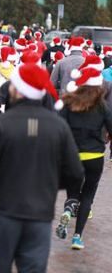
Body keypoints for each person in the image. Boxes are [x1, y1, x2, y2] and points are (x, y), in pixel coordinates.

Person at [0, 63, 84, 273]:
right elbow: (76, 173)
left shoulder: (0, 123)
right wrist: (50, 184)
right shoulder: (58, 126)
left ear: (17, 89)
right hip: (40, 213)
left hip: (3, 208)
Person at [54, 67, 112, 249]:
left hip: (72, 155)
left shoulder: (68, 102)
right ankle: (77, 237)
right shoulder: (102, 105)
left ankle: (68, 208)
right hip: (95, 155)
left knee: (73, 191)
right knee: (87, 194)